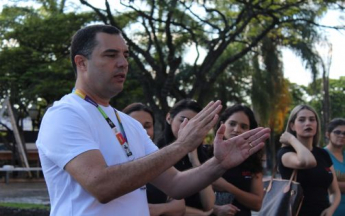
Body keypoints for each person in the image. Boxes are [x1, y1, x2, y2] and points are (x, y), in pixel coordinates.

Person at [36, 24, 270, 216]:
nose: (123, 63)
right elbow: (101, 185)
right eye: (111, 55)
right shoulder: (64, 114)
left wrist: (219, 163)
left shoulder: (129, 123)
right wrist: (181, 146)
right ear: (81, 63)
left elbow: (176, 184)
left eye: (125, 55)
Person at [123, 102, 185, 216]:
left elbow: (180, 204)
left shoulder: (158, 158)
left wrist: (159, 209)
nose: (142, 131)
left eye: (147, 126)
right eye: (134, 125)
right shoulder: (111, 160)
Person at [277, 105, 340, 216]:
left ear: (316, 124)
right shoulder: (285, 153)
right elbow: (308, 161)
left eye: (312, 119)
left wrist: (331, 209)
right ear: (292, 126)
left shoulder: (323, 153)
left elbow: (334, 191)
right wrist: (292, 139)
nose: (308, 123)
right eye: (301, 120)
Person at [157, 99, 215, 215]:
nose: (187, 126)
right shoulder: (156, 152)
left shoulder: (201, 154)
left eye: (194, 123)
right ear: (169, 118)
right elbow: (163, 203)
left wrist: (195, 162)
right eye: (182, 120)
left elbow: (209, 204)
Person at [211, 105, 264, 216]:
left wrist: (227, 187)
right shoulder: (205, 154)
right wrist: (215, 209)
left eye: (243, 126)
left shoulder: (252, 160)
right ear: (222, 124)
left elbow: (257, 204)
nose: (237, 130)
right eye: (232, 124)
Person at [324, 118, 345, 216]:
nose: (342, 135)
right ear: (328, 134)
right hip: (330, 211)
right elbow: (326, 183)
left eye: (344, 133)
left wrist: (337, 183)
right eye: (337, 132)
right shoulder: (321, 155)